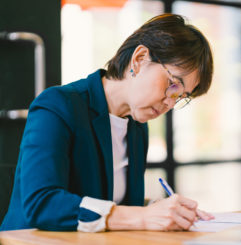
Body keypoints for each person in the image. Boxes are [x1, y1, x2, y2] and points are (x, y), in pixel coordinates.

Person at [0, 13, 214, 232]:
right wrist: (141, 217)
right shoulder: (58, 105)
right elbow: (42, 204)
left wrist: (158, 209)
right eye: (173, 85)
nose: (170, 103)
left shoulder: (137, 127)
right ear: (139, 59)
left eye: (180, 96)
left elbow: (110, 205)